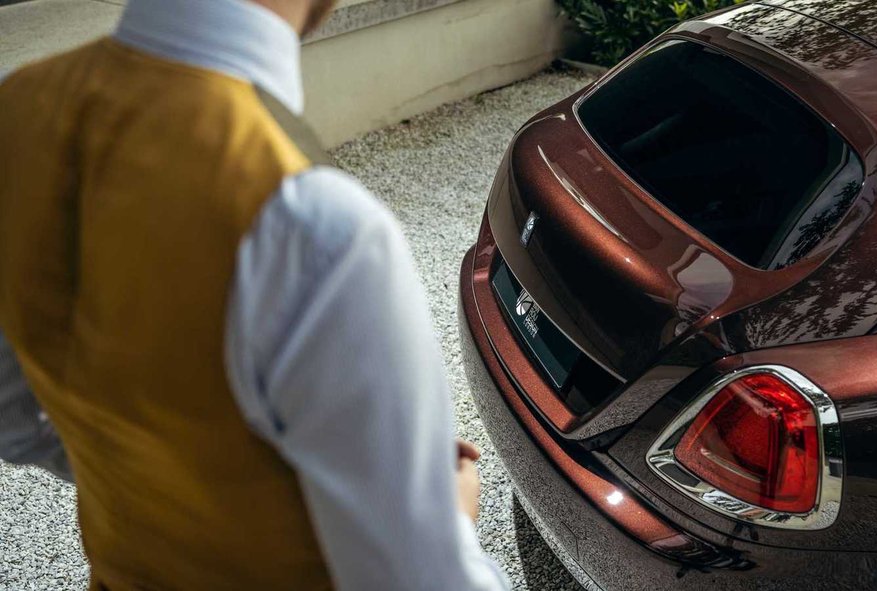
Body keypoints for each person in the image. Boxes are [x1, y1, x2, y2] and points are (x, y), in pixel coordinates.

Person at [0, 0, 510, 589]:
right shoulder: (316, 226)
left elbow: (15, 420)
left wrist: (149, 483)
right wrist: (450, 519)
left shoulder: (18, 109)